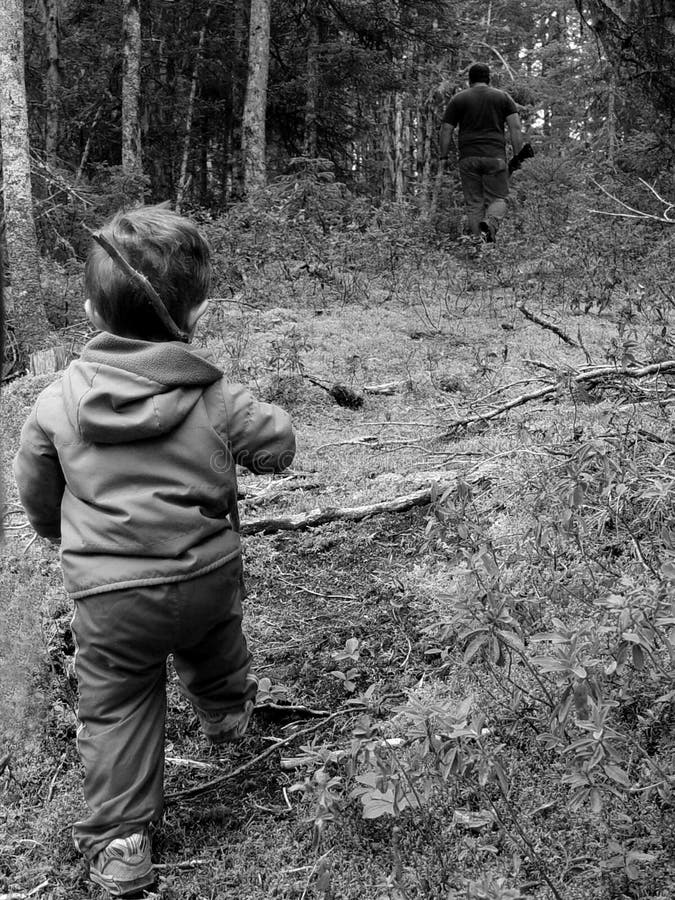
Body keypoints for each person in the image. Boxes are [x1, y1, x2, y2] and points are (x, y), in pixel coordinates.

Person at [13, 205, 296, 897]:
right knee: (215, 637)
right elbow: (278, 445)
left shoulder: (56, 403)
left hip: (110, 599)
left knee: (114, 708)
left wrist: (58, 532)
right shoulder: (215, 396)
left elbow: (38, 493)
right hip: (204, 574)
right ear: (197, 314)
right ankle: (228, 715)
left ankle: (121, 845)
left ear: (89, 310)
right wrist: (250, 423)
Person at [439, 61, 525, 243]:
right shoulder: (503, 98)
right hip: (495, 157)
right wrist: (518, 156)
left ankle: (479, 247)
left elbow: (446, 129)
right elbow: (515, 128)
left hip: (468, 158)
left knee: (474, 203)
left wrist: (443, 157)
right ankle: (490, 225)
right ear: (489, 79)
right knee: (499, 198)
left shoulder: (459, 99)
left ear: (470, 80)